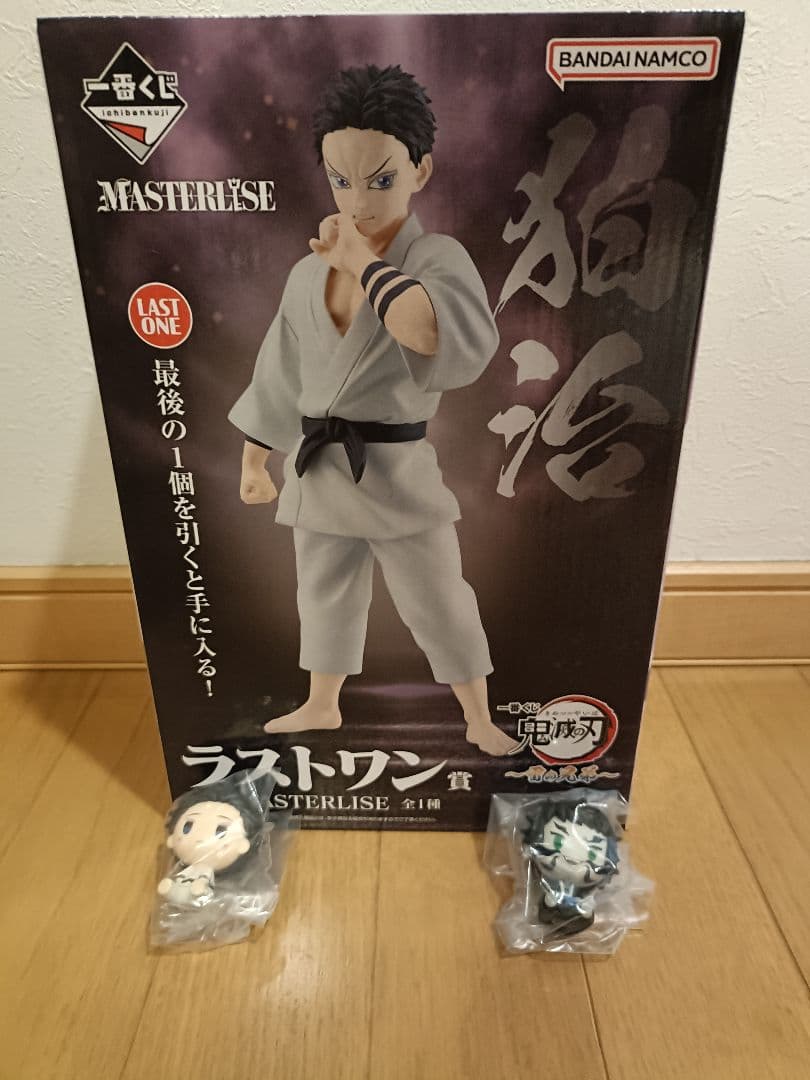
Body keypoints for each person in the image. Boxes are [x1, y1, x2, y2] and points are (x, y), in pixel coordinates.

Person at [229, 64, 517, 755]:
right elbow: (279, 372)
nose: (357, 200)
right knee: (323, 591)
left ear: (421, 171)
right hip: (322, 466)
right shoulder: (307, 274)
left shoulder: (436, 256)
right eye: (341, 180)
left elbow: (430, 332)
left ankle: (478, 716)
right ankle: (321, 703)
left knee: (437, 596)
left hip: (396, 469)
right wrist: (255, 460)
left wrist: (362, 262)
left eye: (380, 180)